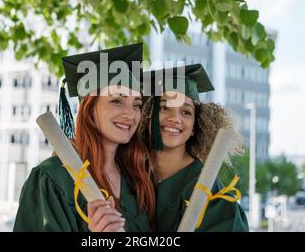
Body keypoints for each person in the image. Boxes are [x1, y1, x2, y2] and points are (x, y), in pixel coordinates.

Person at [13, 43, 155, 231]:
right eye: (116, 101)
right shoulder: (52, 178)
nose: (131, 114)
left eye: (136, 104)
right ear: (89, 109)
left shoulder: (136, 176)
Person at [138, 63, 249, 232]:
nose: (175, 118)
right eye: (164, 108)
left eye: (186, 112)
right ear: (147, 117)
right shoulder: (131, 173)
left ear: (194, 128)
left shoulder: (207, 188)